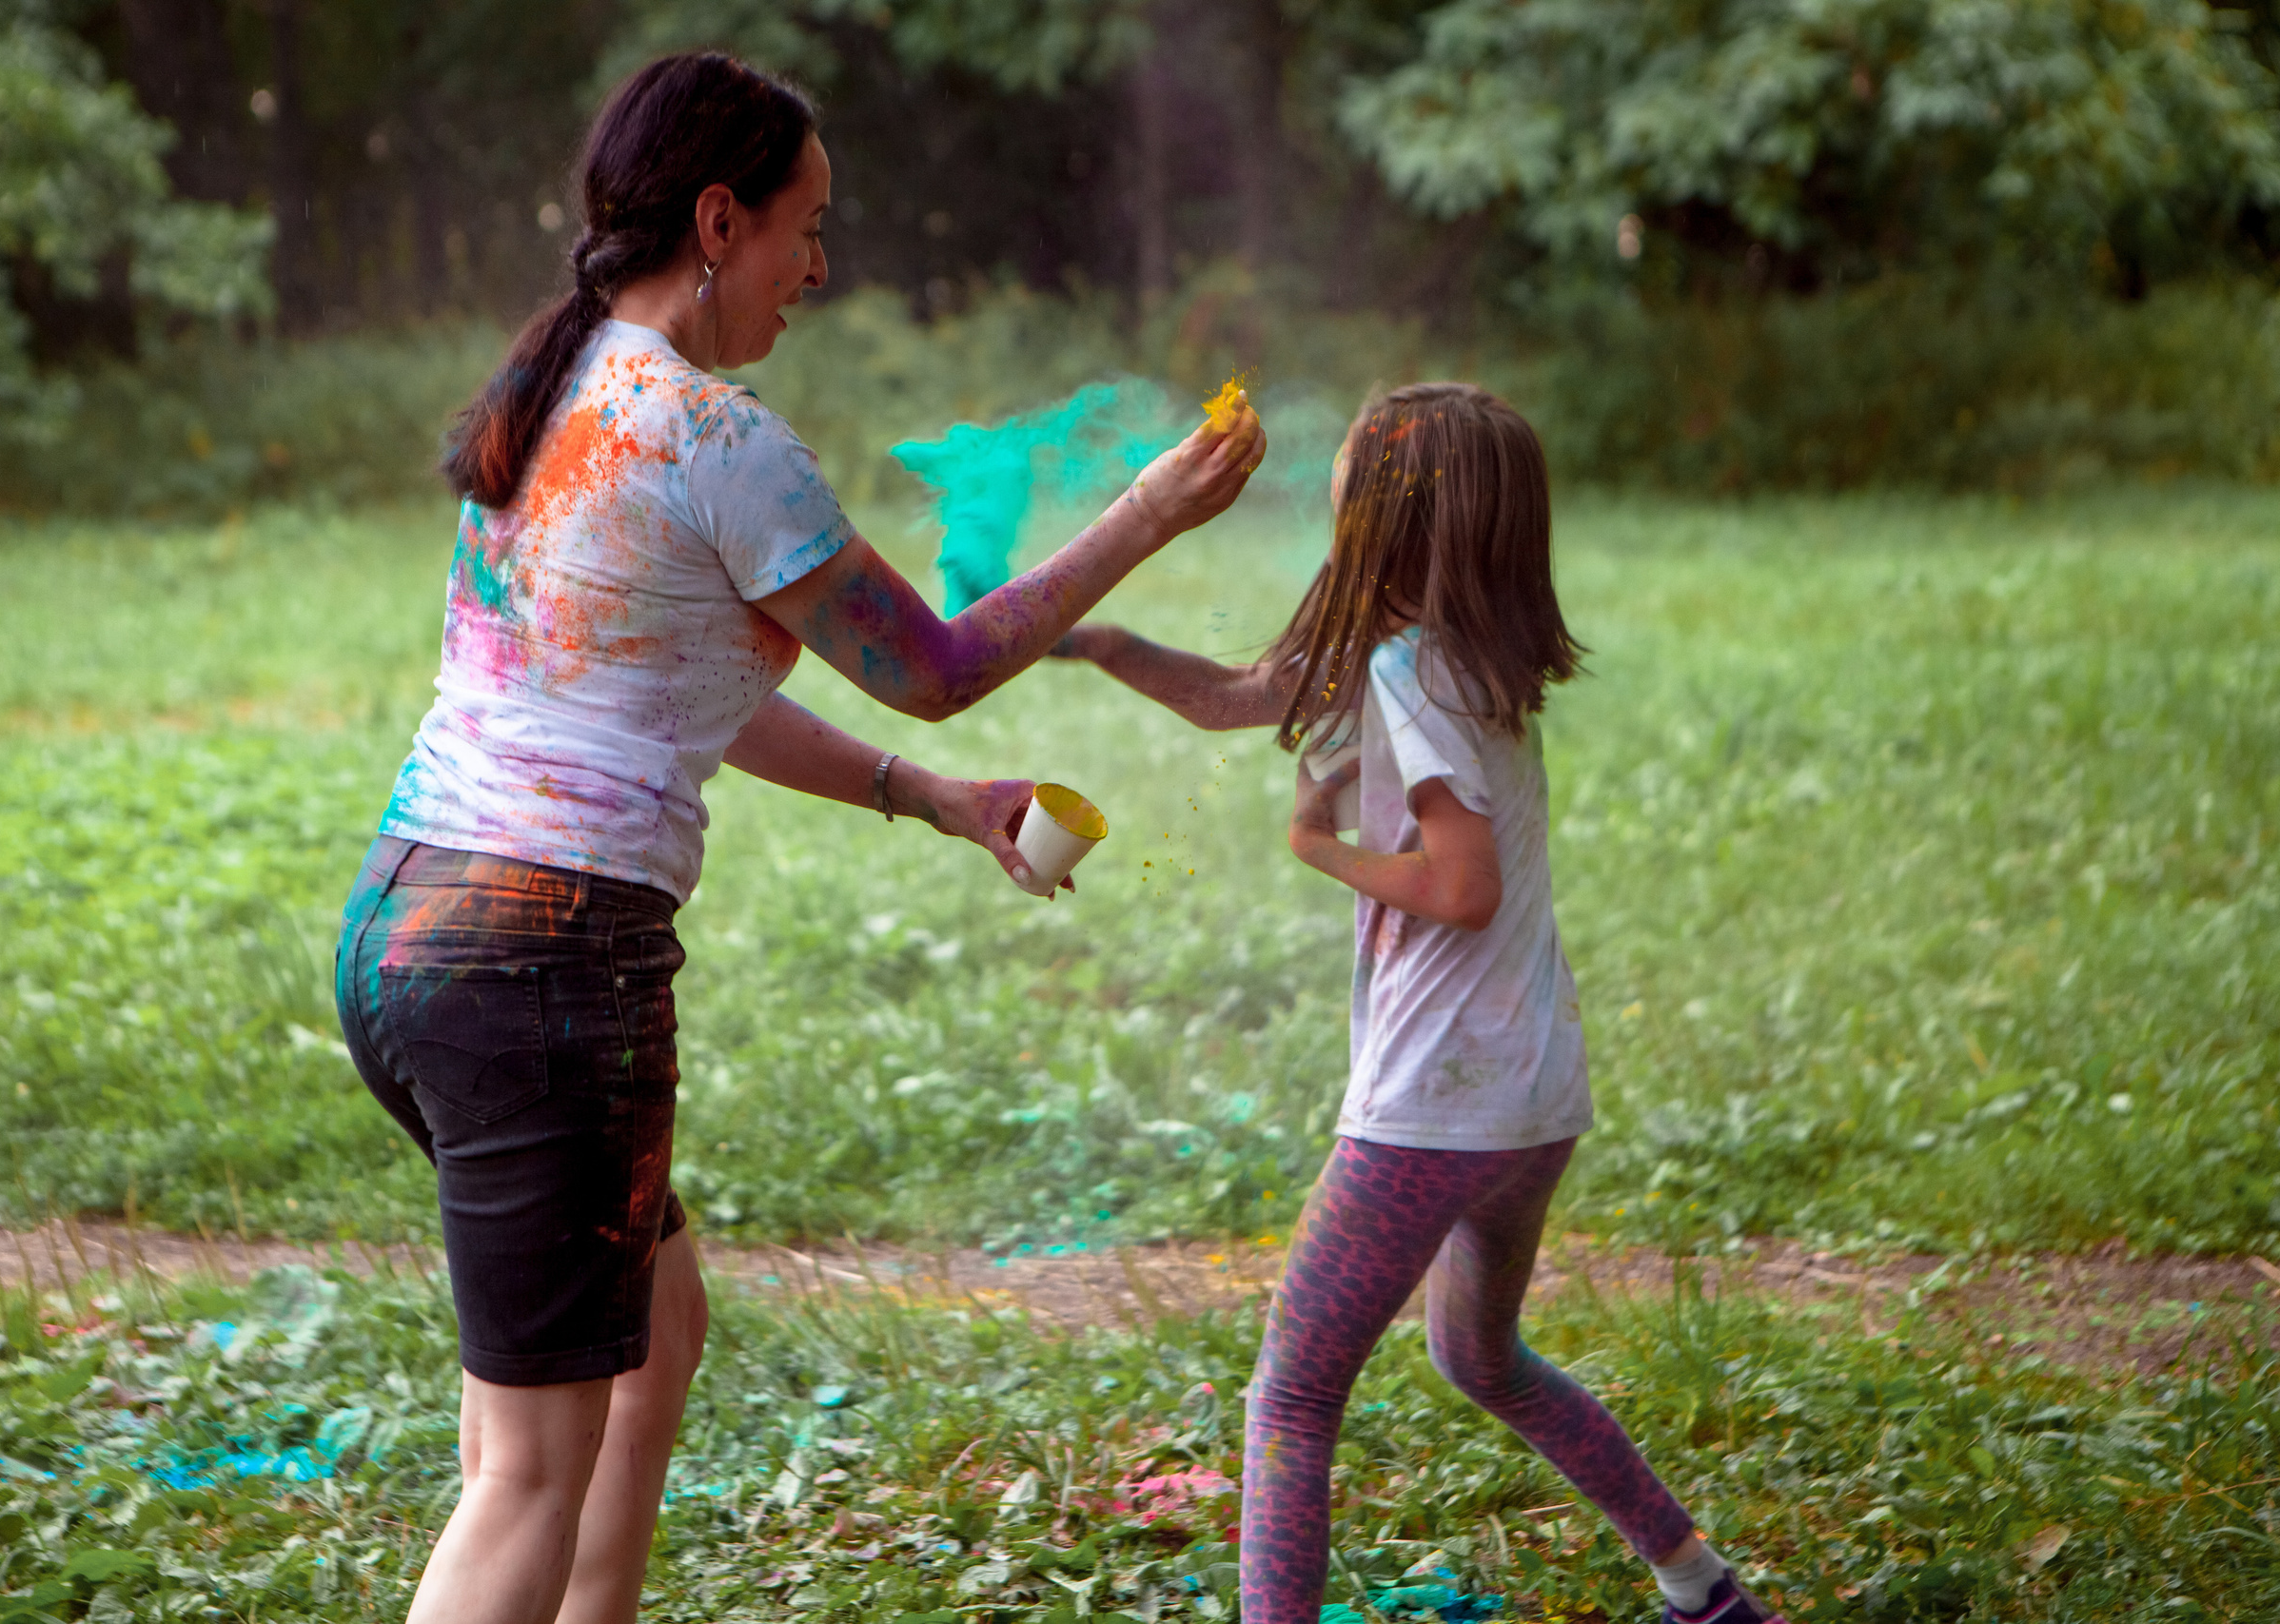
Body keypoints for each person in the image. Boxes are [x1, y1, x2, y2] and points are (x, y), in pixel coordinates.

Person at [331, 51, 1265, 1624]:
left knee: (660, 1328)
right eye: (804, 227)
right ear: (717, 220)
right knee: (522, 1479)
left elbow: (685, 702)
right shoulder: (714, 438)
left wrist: (935, 802)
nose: (820, 267)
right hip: (541, 969)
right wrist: (1150, 518)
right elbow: (942, 666)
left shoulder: (544, 396)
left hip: (408, 937)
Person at [1053, 383, 1784, 1624]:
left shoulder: (1403, 672)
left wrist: (1319, 847)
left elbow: (1460, 885)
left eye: (1349, 481)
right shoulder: (1462, 666)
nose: (1333, 497)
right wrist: (1099, 643)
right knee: (1480, 1359)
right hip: (1531, 1101)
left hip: (1431, 1111)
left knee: (1290, 1401)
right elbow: (1242, 695)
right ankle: (1700, 1589)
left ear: (1389, 521)